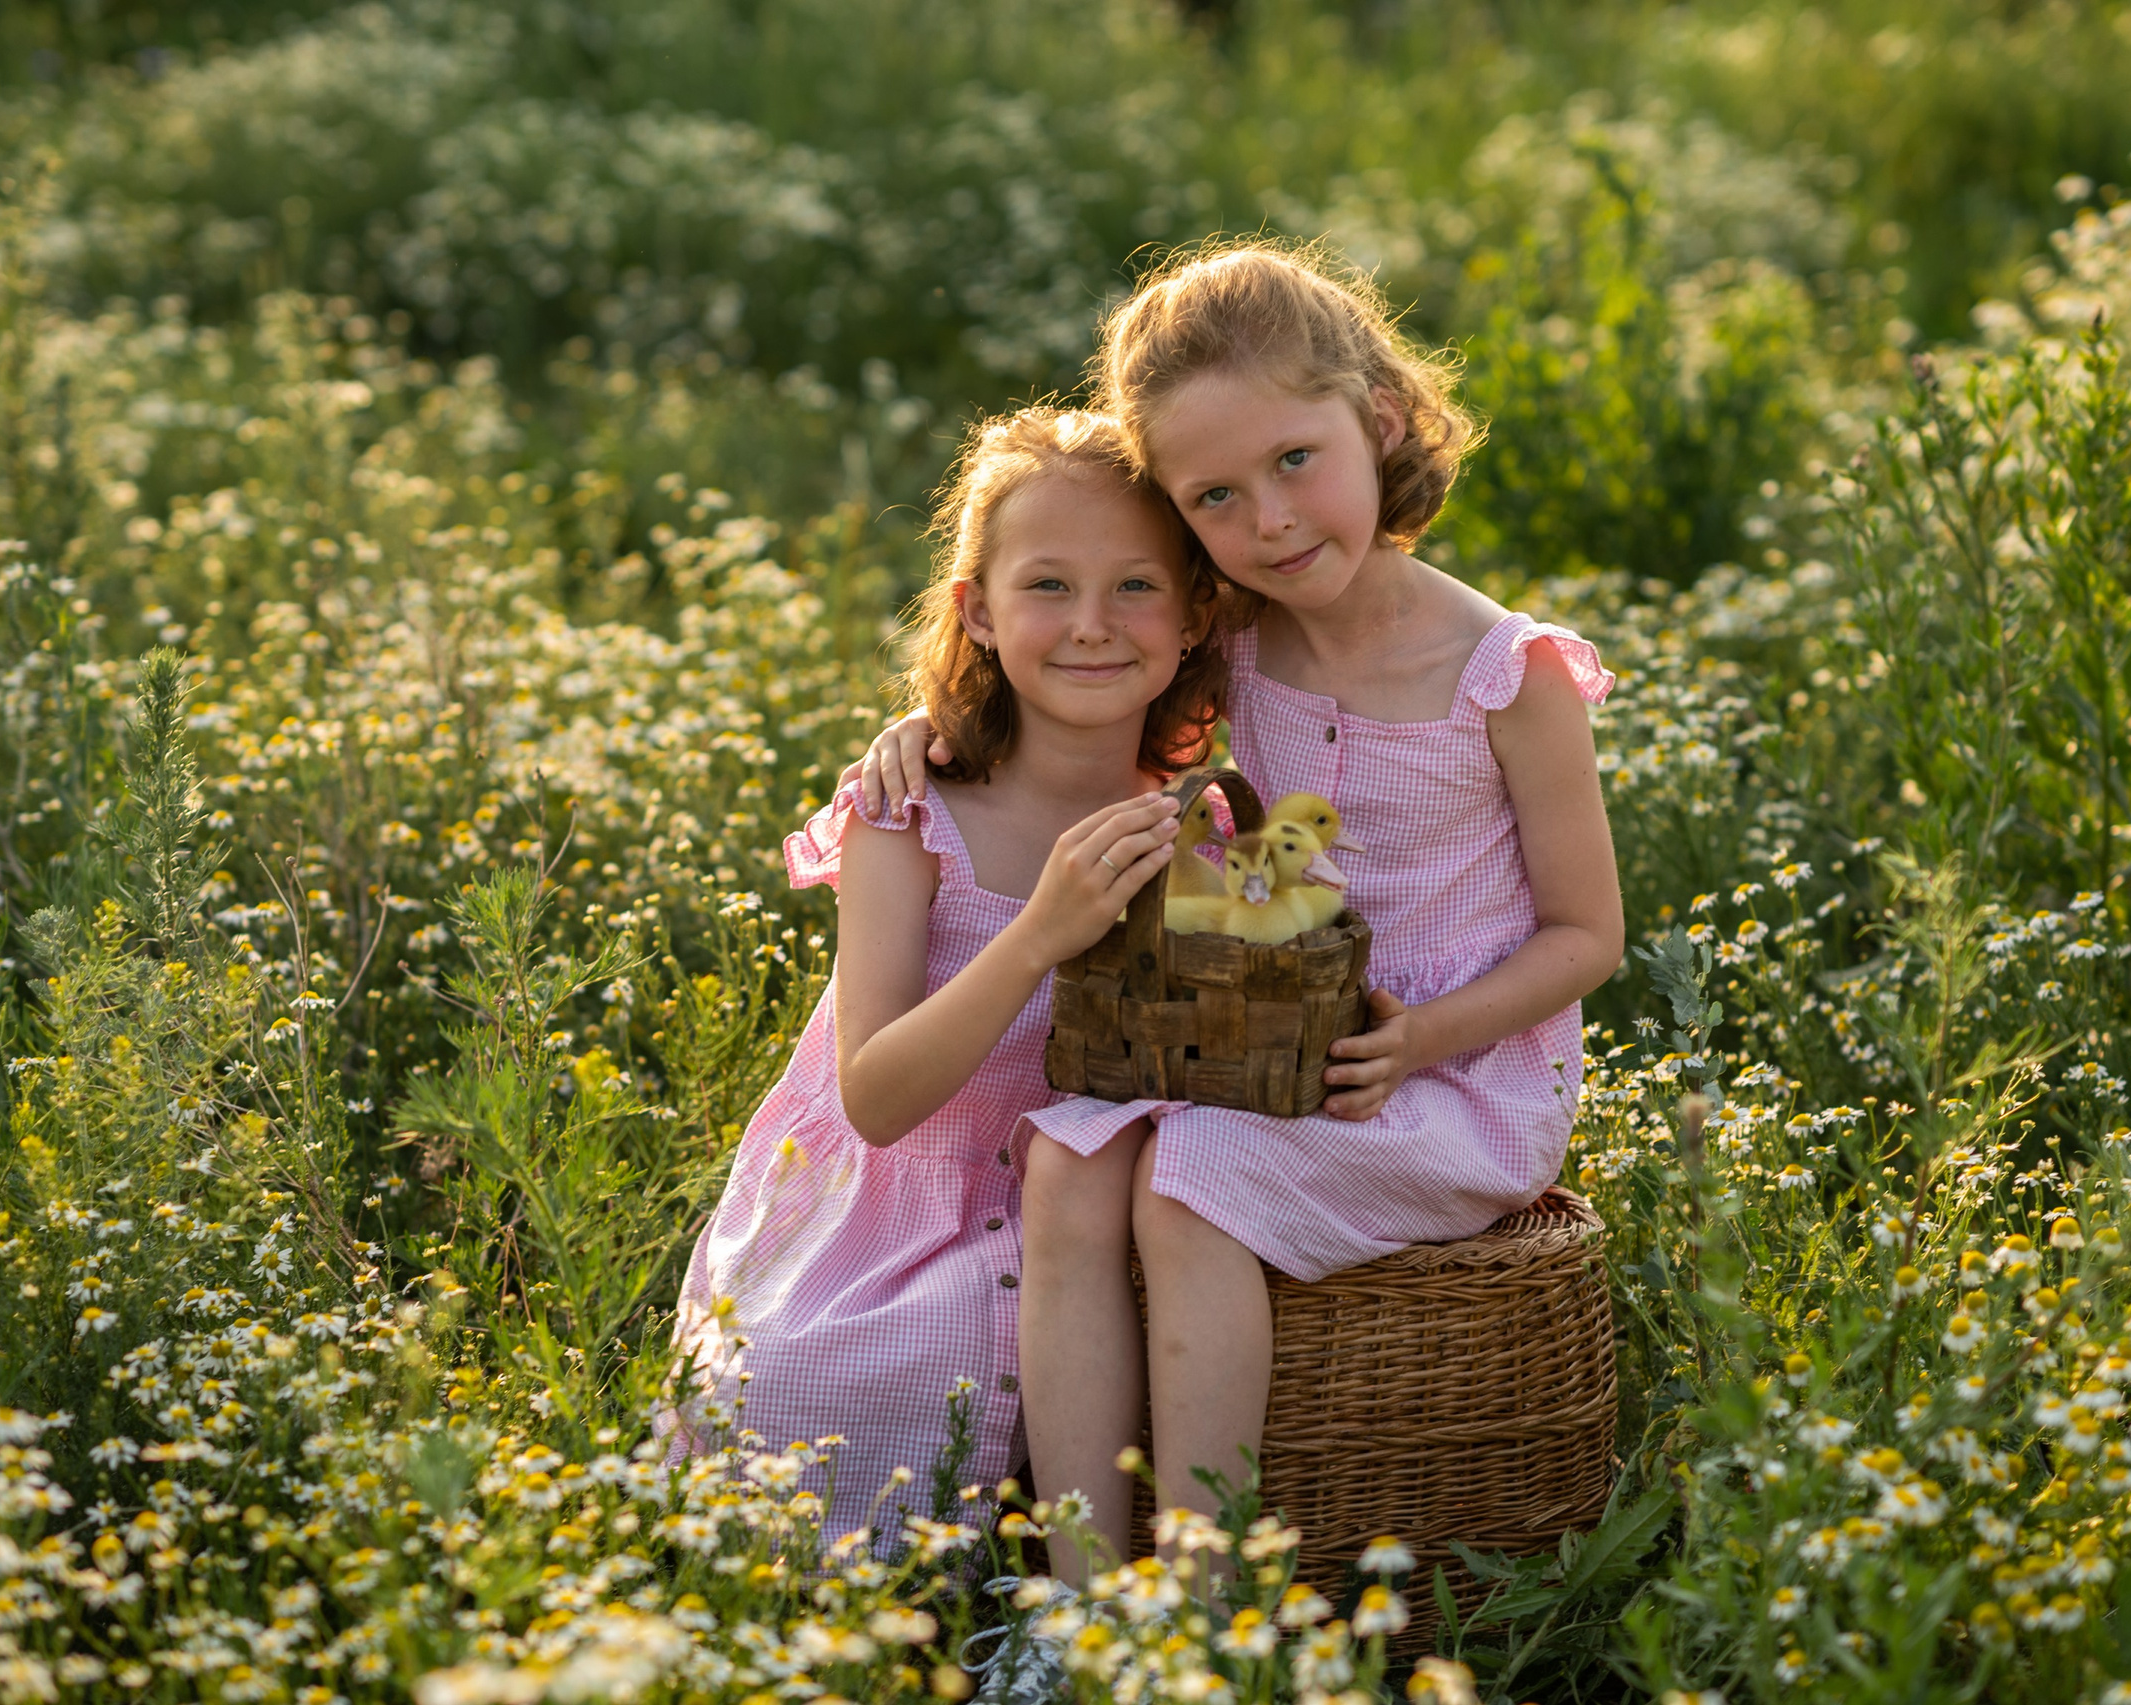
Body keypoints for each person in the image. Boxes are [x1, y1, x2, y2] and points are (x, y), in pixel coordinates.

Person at [853, 242, 1625, 1580]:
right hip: (1258, 1044)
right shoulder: (1238, 647)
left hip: (1455, 1075)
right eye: (1214, 495)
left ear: (1381, 420)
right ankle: (1081, 1590)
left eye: (1292, 461)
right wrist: (935, 725)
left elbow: (1587, 938)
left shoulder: (1504, 672)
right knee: (1068, 1155)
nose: (1268, 520)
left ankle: (1203, 1606)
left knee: (1195, 1184)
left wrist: (1426, 1038)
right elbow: (1081, 667)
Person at [661, 408, 1228, 1544]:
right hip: (892, 1206)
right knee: (813, 1382)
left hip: (1083, 1203)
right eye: (1047, 587)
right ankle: (944, 1605)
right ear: (976, 606)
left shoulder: (1194, 820)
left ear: (1194, 613)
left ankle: (1055, 1599)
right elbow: (873, 1098)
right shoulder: (908, 811)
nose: (1092, 626)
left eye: (1135, 588)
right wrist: (1040, 933)